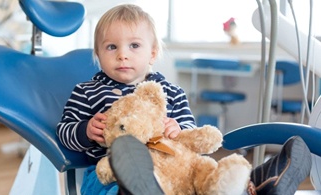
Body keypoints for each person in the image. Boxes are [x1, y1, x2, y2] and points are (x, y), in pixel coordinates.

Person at [57, 4, 312, 195]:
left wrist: (177, 129)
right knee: (110, 186)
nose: (122, 55)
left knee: (205, 176)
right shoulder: (87, 91)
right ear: (98, 54)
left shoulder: (170, 92)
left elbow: (190, 133)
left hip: (174, 167)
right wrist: (86, 130)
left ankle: (257, 184)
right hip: (108, 172)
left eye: (134, 46)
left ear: (152, 53)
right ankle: (140, 187)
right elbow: (64, 132)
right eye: (111, 47)